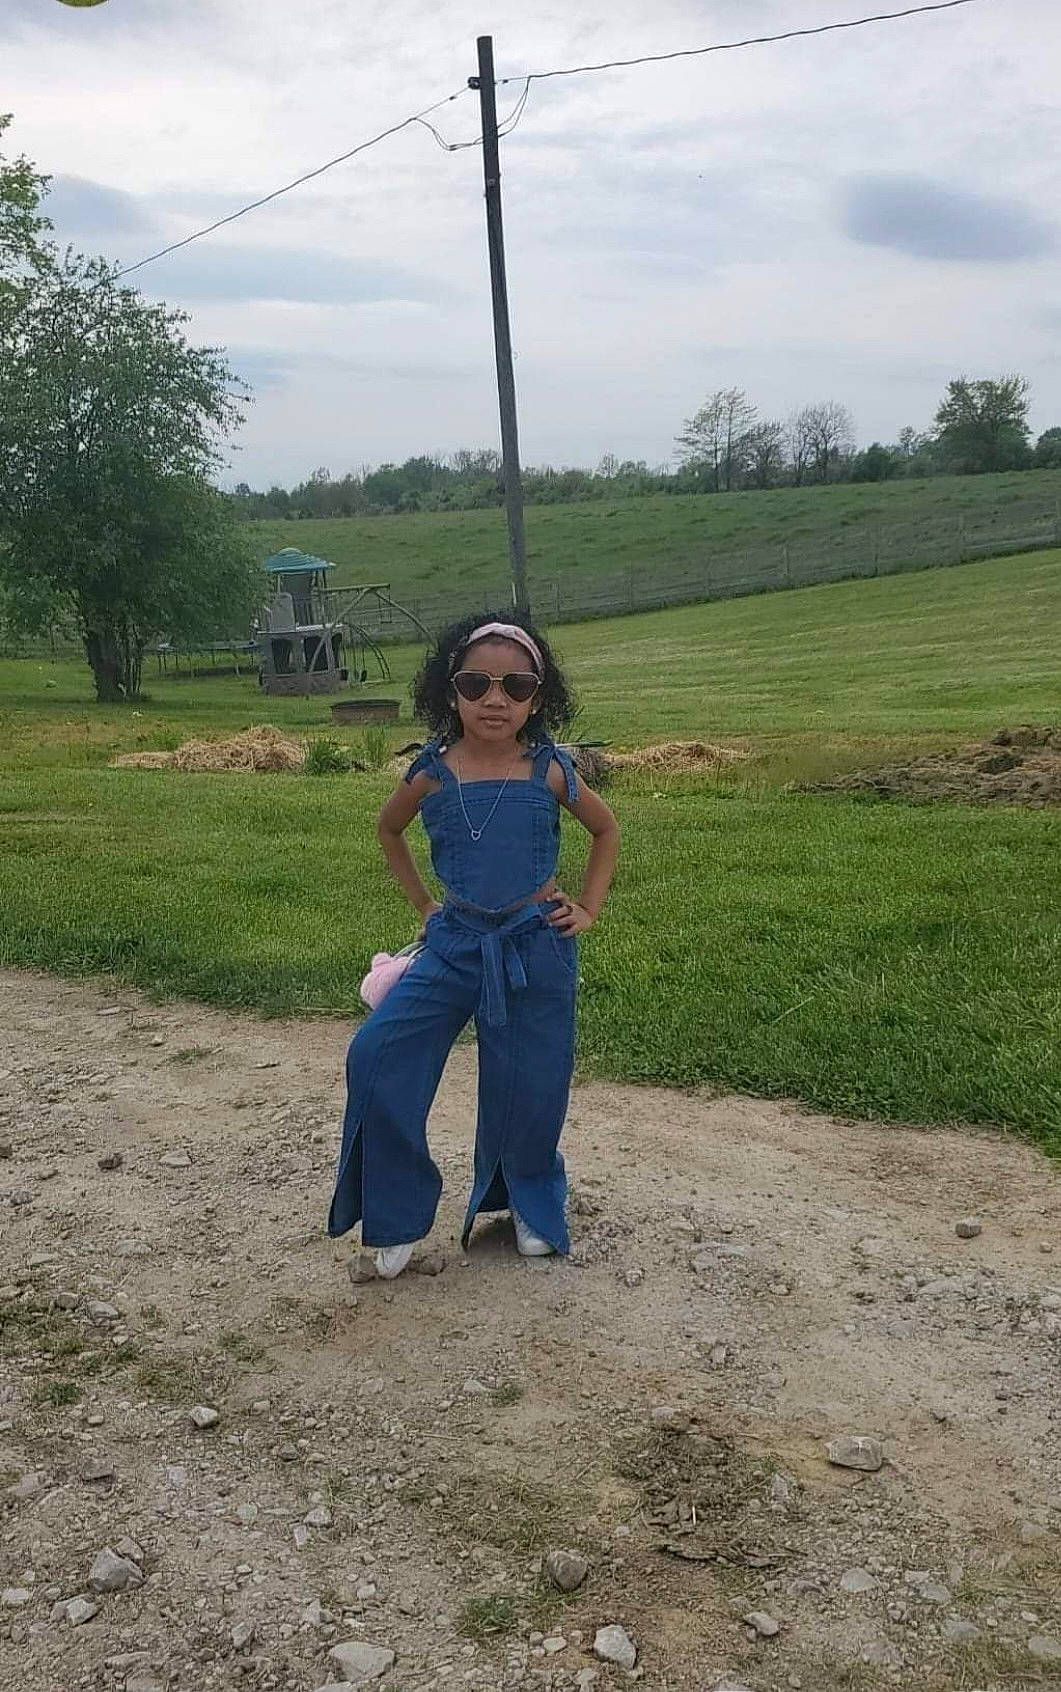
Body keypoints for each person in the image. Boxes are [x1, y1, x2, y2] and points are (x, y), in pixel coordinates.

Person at [328, 612, 620, 1278]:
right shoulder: (429, 772)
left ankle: (527, 1203)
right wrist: (428, 907)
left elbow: (606, 832)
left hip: (535, 944)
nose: (495, 699)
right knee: (378, 1052)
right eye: (476, 682)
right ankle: (394, 1215)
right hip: (455, 944)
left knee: (531, 1082)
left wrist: (589, 906)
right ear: (448, 688)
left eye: (516, 686)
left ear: (538, 698)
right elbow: (388, 831)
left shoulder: (551, 769)